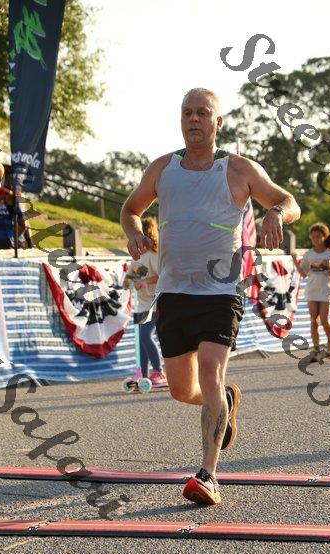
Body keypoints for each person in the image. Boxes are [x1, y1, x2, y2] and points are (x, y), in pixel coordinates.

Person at [121, 88, 300, 505]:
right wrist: (134, 233)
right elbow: (131, 209)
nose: (194, 119)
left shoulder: (238, 168)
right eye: (187, 112)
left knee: (211, 371)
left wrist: (275, 213)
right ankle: (226, 401)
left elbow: (288, 201)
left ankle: (208, 475)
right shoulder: (163, 168)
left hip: (221, 291)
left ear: (218, 122)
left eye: (203, 113)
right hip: (173, 292)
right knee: (183, 390)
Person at [124, 217, 167, 386]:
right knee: (141, 340)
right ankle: (141, 373)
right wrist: (132, 282)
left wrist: (144, 282)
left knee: (145, 335)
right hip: (141, 303)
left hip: (155, 302)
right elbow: (129, 281)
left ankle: (158, 371)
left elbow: (161, 276)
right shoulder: (140, 257)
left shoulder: (155, 254)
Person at [292, 223, 330, 362]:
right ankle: (316, 349)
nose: (316, 239)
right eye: (313, 237)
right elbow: (304, 274)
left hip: (326, 290)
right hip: (312, 291)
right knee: (313, 320)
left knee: (324, 320)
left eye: (318, 236)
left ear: (325, 237)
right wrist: (295, 261)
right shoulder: (308, 254)